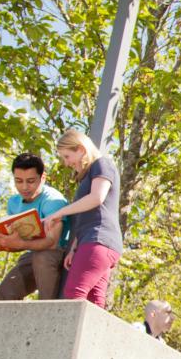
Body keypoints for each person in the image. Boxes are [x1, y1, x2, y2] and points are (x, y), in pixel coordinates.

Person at [43, 129, 122, 308]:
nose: (66, 162)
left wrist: (60, 212)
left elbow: (96, 198)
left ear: (81, 149)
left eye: (67, 156)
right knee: (94, 302)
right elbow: (87, 216)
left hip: (100, 241)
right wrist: (74, 249)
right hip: (95, 242)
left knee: (74, 295)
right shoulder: (87, 175)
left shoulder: (102, 164)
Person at [0, 152, 69, 301]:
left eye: (31, 181)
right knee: (4, 293)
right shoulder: (13, 202)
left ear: (43, 178)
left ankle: (47, 309)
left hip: (58, 254)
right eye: (19, 181)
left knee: (42, 257)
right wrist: (1, 243)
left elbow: (52, 243)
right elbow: (15, 243)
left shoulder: (54, 200)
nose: (24, 187)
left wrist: (19, 243)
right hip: (31, 254)